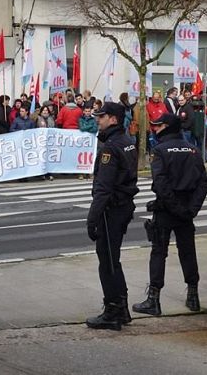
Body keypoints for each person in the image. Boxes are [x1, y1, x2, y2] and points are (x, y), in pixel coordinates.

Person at [133, 113, 207, 316]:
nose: (155, 129)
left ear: (167, 127)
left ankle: (153, 299)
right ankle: (193, 296)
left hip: (166, 210)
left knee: (159, 252)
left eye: (158, 126)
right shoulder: (193, 150)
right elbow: (202, 183)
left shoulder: (160, 150)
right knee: (188, 252)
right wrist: (191, 210)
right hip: (186, 210)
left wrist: (174, 207)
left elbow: (161, 184)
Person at [85, 102, 139, 331]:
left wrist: (93, 218)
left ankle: (113, 311)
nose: (98, 120)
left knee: (107, 262)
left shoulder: (110, 148)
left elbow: (103, 188)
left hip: (111, 209)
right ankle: (122, 308)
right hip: (123, 205)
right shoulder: (127, 141)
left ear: (113, 119)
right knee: (113, 259)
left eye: (102, 116)